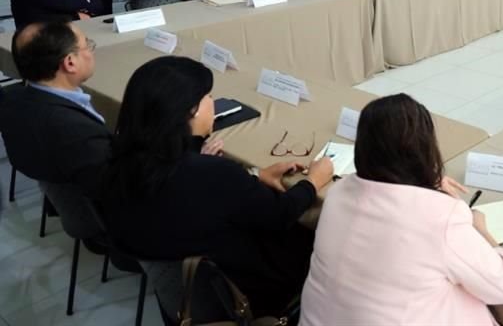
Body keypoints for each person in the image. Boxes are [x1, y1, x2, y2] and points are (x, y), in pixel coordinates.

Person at [101, 56, 334, 317]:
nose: (213, 103)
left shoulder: (119, 161)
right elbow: (280, 214)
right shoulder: (212, 174)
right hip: (245, 294)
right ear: (191, 110)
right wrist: (313, 181)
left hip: (184, 298)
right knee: (319, 234)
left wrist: (253, 177)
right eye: (209, 97)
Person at [299, 94, 503, 325]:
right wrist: (481, 230)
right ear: (425, 149)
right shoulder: (442, 217)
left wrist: (425, 181)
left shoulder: (339, 191)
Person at [0, 21, 108, 199]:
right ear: (70, 62)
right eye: (87, 45)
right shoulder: (78, 132)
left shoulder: (11, 100)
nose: (91, 50)